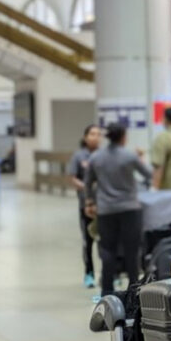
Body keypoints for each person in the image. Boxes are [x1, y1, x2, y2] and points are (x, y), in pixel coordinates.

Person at [85, 123, 153, 295]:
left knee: (107, 250)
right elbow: (148, 174)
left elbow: (88, 182)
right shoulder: (129, 156)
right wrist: (140, 158)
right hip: (130, 209)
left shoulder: (96, 157)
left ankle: (107, 290)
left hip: (106, 210)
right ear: (123, 137)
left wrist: (90, 202)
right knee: (132, 250)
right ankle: (133, 290)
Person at [69, 124, 101, 289]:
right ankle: (89, 274)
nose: (96, 137)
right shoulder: (79, 156)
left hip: (104, 206)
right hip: (86, 206)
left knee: (106, 242)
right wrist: (86, 187)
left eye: (98, 134)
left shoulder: (103, 154)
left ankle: (110, 273)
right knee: (88, 241)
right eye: (92, 134)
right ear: (85, 137)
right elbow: (72, 177)